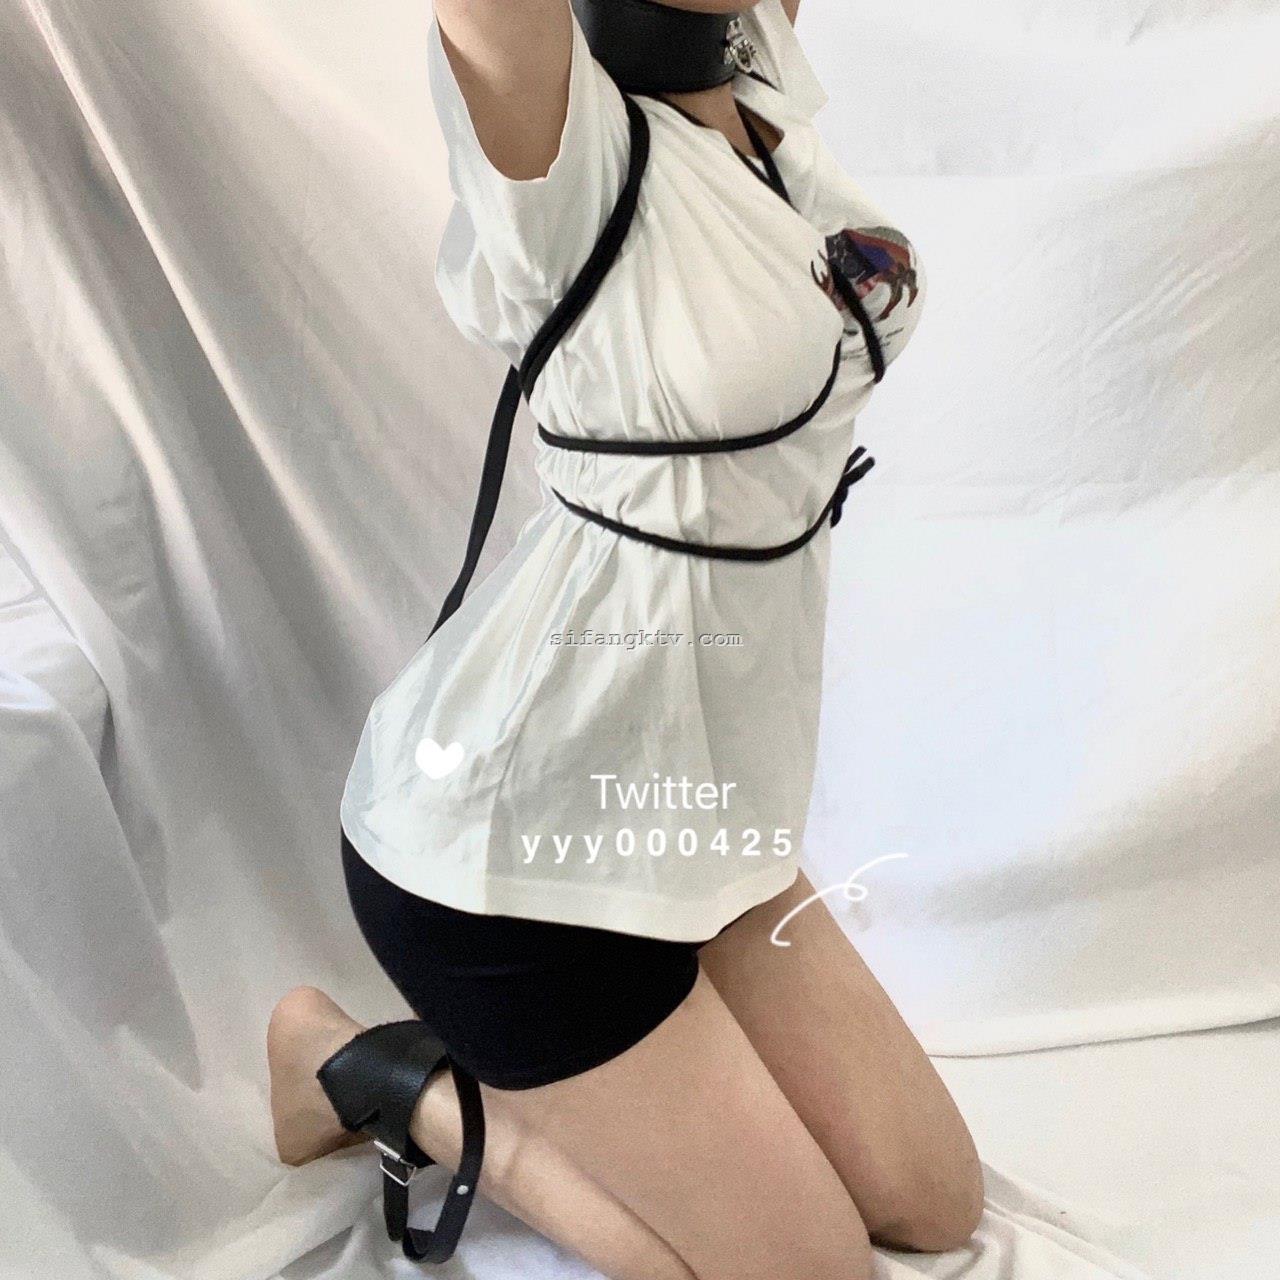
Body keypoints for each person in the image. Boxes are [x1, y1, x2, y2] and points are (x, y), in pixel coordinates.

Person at [268, 2, 983, 1276]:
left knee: (932, 1205)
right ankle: (367, 1069)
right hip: (510, 859)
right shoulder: (561, 146)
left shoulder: (756, 82)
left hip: (701, 815)